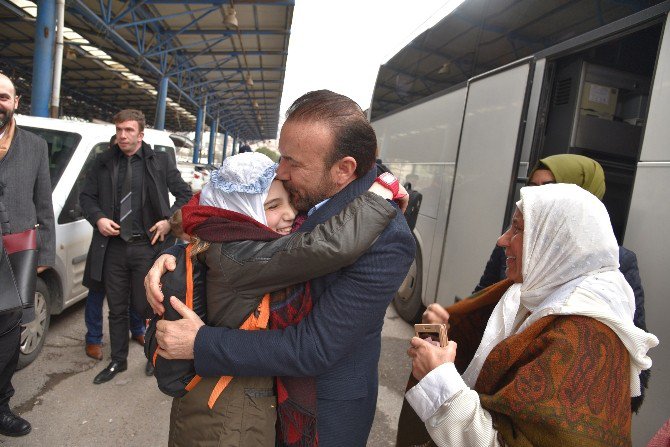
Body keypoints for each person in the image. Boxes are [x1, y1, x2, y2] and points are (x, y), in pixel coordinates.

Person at [146, 89, 416, 445]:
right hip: (259, 399)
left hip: (320, 415)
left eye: (293, 163)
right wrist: (179, 256)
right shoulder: (306, 190)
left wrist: (201, 344)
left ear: (344, 169)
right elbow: (229, 212)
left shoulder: (385, 239)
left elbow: (314, 348)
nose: (281, 172)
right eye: (282, 157)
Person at [403, 183, 658, 447]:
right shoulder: (533, 292)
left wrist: (439, 380)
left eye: (518, 229)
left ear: (554, 241)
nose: (502, 240)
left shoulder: (586, 341)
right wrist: (443, 336)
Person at [469, 153, 649, 411]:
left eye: (549, 189)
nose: (535, 198)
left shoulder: (585, 324)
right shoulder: (513, 243)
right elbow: (483, 296)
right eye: (531, 188)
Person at [79, 109, 191, 385]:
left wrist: (168, 222)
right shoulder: (103, 162)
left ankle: (153, 356)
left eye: (129, 130)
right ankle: (118, 360)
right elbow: (86, 197)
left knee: (148, 306)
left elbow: (185, 194)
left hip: (147, 246)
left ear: (140, 134)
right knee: (116, 308)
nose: (122, 135)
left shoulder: (160, 161)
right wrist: (99, 218)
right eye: (119, 130)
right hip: (113, 247)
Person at [0, 73, 55, 437]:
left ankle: (1, 406)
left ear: (16, 102)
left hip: (15, 254)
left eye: (3, 97)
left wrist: (45, 252)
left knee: (7, 337)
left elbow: (44, 204)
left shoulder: (35, 146)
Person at [82, 135, 147, 363]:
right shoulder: (100, 173)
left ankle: (138, 329)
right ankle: (94, 338)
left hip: (132, 247)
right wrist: (99, 218)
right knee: (96, 293)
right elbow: (87, 200)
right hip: (104, 245)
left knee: (133, 293)